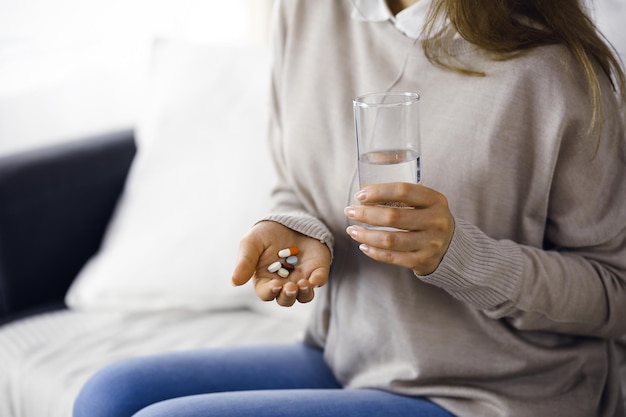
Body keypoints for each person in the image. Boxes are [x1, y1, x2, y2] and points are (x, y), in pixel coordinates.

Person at [73, 0, 626, 416]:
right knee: (110, 395)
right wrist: (296, 230)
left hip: (495, 394)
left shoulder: (558, 71)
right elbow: (295, 180)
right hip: (351, 357)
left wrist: (457, 256)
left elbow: (614, 291)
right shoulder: (310, 11)